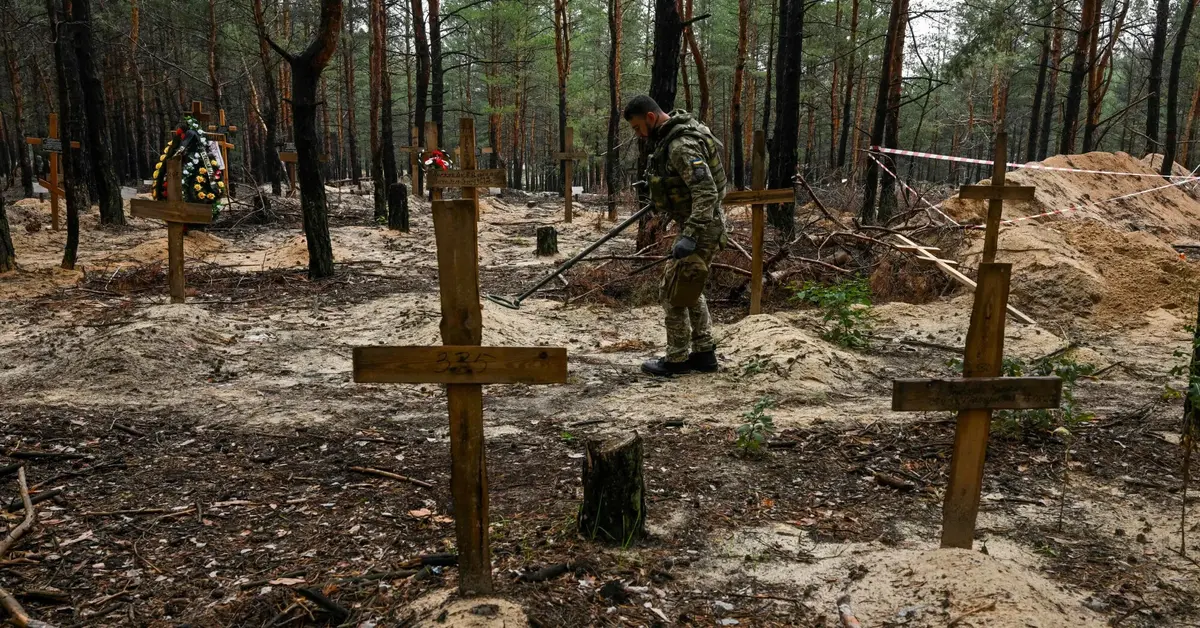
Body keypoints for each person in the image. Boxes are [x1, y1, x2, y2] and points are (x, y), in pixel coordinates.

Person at [624, 95, 728, 376]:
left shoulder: (681, 145)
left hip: (702, 226)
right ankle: (704, 354)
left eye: (637, 127)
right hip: (698, 223)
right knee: (689, 288)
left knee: (671, 291)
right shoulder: (672, 136)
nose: (638, 134)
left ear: (650, 117)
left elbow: (707, 191)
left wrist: (691, 235)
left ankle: (677, 359)